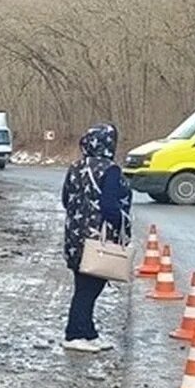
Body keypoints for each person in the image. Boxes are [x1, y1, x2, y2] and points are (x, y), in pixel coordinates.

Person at [61, 123, 132, 353]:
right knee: (89, 289)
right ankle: (74, 334)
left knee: (83, 284)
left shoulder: (75, 167)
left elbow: (65, 199)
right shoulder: (109, 170)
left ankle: (88, 332)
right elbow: (110, 205)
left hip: (74, 235)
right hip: (96, 239)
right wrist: (121, 225)